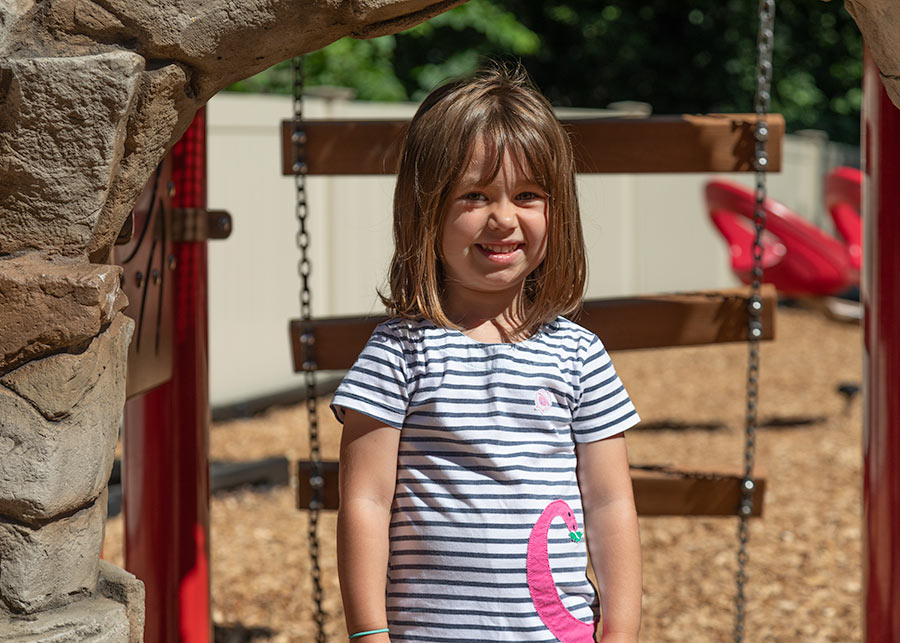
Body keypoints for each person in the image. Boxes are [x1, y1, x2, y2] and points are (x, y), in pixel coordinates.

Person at [332, 63, 642, 643]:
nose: (504, 218)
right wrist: (368, 633)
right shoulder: (399, 353)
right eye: (474, 196)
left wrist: (621, 629)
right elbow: (365, 501)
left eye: (528, 195)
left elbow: (608, 504)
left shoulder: (579, 357)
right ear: (426, 211)